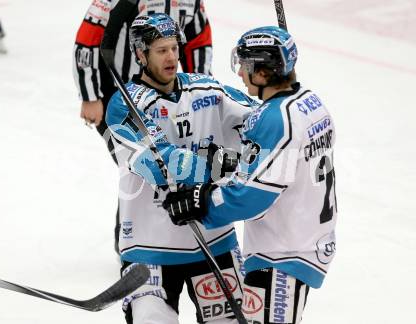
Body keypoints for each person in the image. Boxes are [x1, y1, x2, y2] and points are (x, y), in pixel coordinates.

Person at [162, 26, 338, 323]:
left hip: (282, 254)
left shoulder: (274, 118)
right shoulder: (310, 103)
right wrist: (223, 161)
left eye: (245, 66)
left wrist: (200, 203)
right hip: (304, 240)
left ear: (264, 71)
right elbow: (279, 165)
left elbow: (250, 197)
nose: (240, 74)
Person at [105, 13, 258, 324]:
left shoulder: (207, 90)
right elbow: (160, 163)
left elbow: (262, 122)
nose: (172, 57)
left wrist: (285, 104)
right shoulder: (124, 105)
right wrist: (217, 166)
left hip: (213, 238)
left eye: (174, 47)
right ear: (140, 54)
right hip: (149, 248)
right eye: (161, 50)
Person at [72, 0, 214, 252]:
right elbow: (88, 38)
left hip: (168, 98)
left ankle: (171, 239)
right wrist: (90, 95)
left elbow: (198, 40)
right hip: (118, 101)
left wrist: (199, 90)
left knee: (172, 162)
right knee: (141, 165)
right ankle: (133, 239)